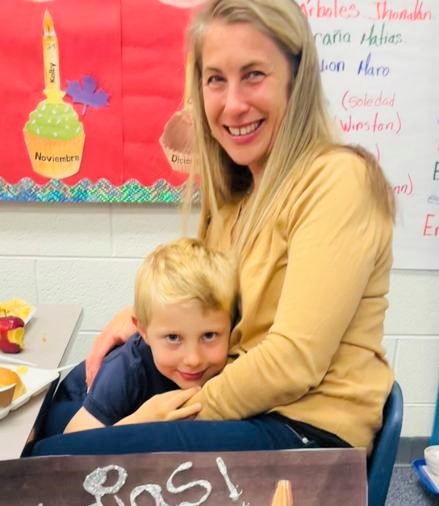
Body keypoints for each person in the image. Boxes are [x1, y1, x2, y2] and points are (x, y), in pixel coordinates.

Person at [31, 0, 395, 460]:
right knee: (58, 408)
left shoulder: (339, 179)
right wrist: (137, 318)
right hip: (252, 405)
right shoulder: (237, 193)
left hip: (306, 431)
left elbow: (292, 362)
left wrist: (163, 415)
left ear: (296, 81)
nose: (234, 104)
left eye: (254, 75)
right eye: (216, 79)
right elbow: (205, 299)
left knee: (49, 462)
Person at [62, 237, 238, 433]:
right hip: (76, 405)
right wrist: (142, 421)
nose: (193, 359)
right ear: (143, 331)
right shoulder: (126, 369)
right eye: (173, 338)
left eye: (209, 335)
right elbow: (73, 438)